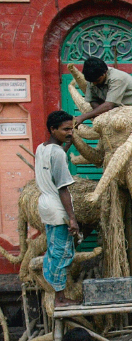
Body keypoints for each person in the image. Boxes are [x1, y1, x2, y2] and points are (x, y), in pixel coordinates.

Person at [37, 111, 80, 307]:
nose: (70, 132)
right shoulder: (58, 154)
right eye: (66, 129)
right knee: (62, 253)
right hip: (57, 207)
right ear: (53, 129)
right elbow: (63, 189)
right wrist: (72, 219)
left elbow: (58, 154)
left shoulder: (42, 148)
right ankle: (60, 298)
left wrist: (67, 144)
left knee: (53, 251)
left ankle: (55, 293)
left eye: (71, 129)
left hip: (45, 205)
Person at [73, 57, 132, 126]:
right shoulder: (91, 78)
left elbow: (109, 105)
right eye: (92, 82)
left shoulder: (117, 79)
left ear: (104, 73)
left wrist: (83, 117)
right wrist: (102, 116)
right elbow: (93, 100)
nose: (95, 83)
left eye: (97, 80)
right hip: (116, 110)